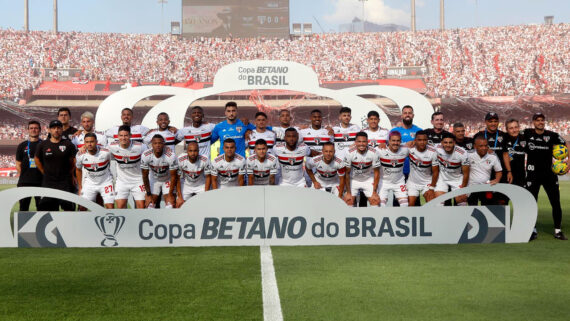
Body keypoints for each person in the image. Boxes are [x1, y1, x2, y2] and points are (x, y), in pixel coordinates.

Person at [523, 113, 569, 240]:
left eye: (542, 120)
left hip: (549, 174)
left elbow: (566, 145)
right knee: (532, 203)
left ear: (544, 122)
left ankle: (558, 231)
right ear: (533, 122)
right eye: (537, 120)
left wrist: (568, 163)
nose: (540, 122)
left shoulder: (552, 135)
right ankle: (532, 230)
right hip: (532, 174)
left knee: (555, 203)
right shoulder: (527, 133)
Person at [34, 120, 77, 211]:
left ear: (61, 130)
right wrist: (43, 171)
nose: (56, 130)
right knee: (47, 210)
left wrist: (70, 172)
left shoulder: (68, 144)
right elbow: (36, 159)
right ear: (49, 130)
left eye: (58, 128)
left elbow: (74, 160)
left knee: (69, 209)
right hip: (48, 182)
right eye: (53, 128)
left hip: (64, 182)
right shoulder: (43, 144)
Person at [107, 125, 148, 209]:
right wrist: (84, 147)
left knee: (141, 207)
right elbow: (98, 151)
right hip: (122, 182)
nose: (123, 138)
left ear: (130, 136)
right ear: (118, 136)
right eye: (121, 136)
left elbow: (151, 155)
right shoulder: (111, 146)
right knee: (120, 207)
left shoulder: (141, 147)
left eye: (126, 135)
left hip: (138, 180)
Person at [474, 112, 509, 205]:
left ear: (498, 122)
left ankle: (501, 220)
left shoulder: (504, 135)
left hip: (501, 174)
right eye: (490, 121)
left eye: (495, 121)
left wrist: (509, 171)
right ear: (486, 122)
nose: (493, 123)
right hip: (485, 174)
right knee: (486, 203)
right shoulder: (478, 135)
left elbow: (506, 154)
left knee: (502, 202)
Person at [75, 133, 115, 209]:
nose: (89, 144)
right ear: (84, 143)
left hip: (106, 183)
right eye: (87, 142)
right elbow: (78, 170)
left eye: (91, 141)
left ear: (96, 142)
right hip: (90, 183)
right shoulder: (80, 155)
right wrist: (80, 187)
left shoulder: (106, 152)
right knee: (82, 207)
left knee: (110, 207)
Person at [343, 132, 381, 207]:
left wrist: (374, 192)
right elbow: (346, 173)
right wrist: (348, 193)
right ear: (355, 142)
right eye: (359, 141)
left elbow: (377, 173)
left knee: (375, 201)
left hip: (368, 179)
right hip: (353, 180)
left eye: (364, 141)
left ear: (367, 142)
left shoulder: (374, 152)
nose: (361, 144)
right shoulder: (349, 153)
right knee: (348, 202)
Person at [141, 135, 178, 208]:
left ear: (164, 144)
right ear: (152, 144)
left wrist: (170, 195)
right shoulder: (146, 155)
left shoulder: (171, 156)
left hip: (167, 180)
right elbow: (145, 176)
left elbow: (174, 176)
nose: (157, 145)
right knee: (149, 205)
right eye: (155, 143)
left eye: (160, 143)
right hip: (154, 180)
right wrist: (148, 194)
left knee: (170, 205)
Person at [434, 132, 469, 206]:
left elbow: (466, 173)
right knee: (438, 205)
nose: (448, 145)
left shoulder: (462, 153)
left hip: (457, 179)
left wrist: (463, 189)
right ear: (441, 143)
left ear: (454, 143)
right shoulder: (436, 148)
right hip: (442, 179)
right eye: (445, 142)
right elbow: (424, 144)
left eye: (450, 142)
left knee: (462, 205)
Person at [466, 136, 503, 205]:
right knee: (472, 211)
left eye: (486, 146)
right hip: (472, 188)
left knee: (487, 210)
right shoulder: (468, 155)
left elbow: (499, 171)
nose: (484, 148)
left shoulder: (493, 157)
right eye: (481, 146)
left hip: (486, 188)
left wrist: (497, 180)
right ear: (475, 146)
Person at [15, 120, 43, 211]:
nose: (33, 130)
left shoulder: (44, 144)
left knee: (42, 208)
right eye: (31, 128)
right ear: (28, 130)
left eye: (36, 128)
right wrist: (24, 175)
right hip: (24, 183)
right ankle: (23, 225)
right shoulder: (22, 145)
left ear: (40, 130)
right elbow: (18, 164)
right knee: (23, 208)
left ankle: (42, 226)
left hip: (41, 182)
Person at [407, 130, 439, 206]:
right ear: (415, 140)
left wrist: (431, 188)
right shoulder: (410, 149)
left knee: (431, 204)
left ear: (427, 141)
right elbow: (396, 146)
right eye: (419, 140)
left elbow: (435, 172)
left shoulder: (433, 152)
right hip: (412, 182)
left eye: (424, 140)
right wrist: (383, 144)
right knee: (410, 204)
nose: (422, 142)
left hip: (427, 182)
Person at [377, 131, 409, 207]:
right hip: (383, 182)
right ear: (389, 141)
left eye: (398, 141)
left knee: (405, 205)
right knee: (381, 205)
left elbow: (419, 145)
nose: (396, 143)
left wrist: (413, 142)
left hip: (399, 182)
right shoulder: (380, 150)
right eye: (393, 140)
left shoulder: (405, 150)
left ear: (401, 141)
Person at [176, 141, 211, 207]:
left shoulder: (205, 159)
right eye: (190, 151)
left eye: (195, 151)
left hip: (201, 185)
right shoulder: (180, 159)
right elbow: (177, 178)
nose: (193, 153)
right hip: (186, 185)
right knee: (179, 204)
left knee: (206, 204)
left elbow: (208, 177)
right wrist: (180, 197)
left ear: (198, 151)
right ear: (187, 151)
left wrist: (206, 194)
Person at [392, 105, 422, 180]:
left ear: (413, 115)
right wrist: (403, 145)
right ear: (402, 116)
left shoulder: (419, 131)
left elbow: (425, 148)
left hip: (416, 171)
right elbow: (388, 148)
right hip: (397, 170)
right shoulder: (394, 131)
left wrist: (416, 142)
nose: (407, 115)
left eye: (409, 113)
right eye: (405, 113)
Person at [501, 118, 527, 187]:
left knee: (520, 197)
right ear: (507, 130)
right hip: (506, 175)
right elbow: (505, 154)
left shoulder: (524, 138)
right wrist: (509, 172)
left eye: (516, 127)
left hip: (521, 176)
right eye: (511, 128)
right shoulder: (503, 138)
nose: (514, 130)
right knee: (503, 197)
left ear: (519, 127)